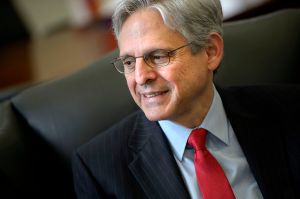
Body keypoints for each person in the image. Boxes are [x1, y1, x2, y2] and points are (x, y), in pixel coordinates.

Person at [72, 0, 300, 198]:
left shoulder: (290, 111)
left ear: (210, 51)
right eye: (130, 62)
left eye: (158, 56)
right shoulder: (100, 169)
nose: (141, 77)